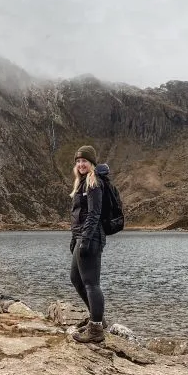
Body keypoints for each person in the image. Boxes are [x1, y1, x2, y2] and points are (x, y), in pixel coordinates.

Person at [69, 145, 109, 344]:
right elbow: (79, 216)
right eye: (78, 161)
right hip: (81, 237)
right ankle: (97, 319)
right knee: (76, 279)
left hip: (91, 238)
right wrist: (74, 238)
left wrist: (84, 239)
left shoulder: (94, 183)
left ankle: (96, 330)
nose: (81, 164)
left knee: (91, 284)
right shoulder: (81, 182)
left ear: (91, 163)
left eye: (84, 161)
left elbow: (94, 214)